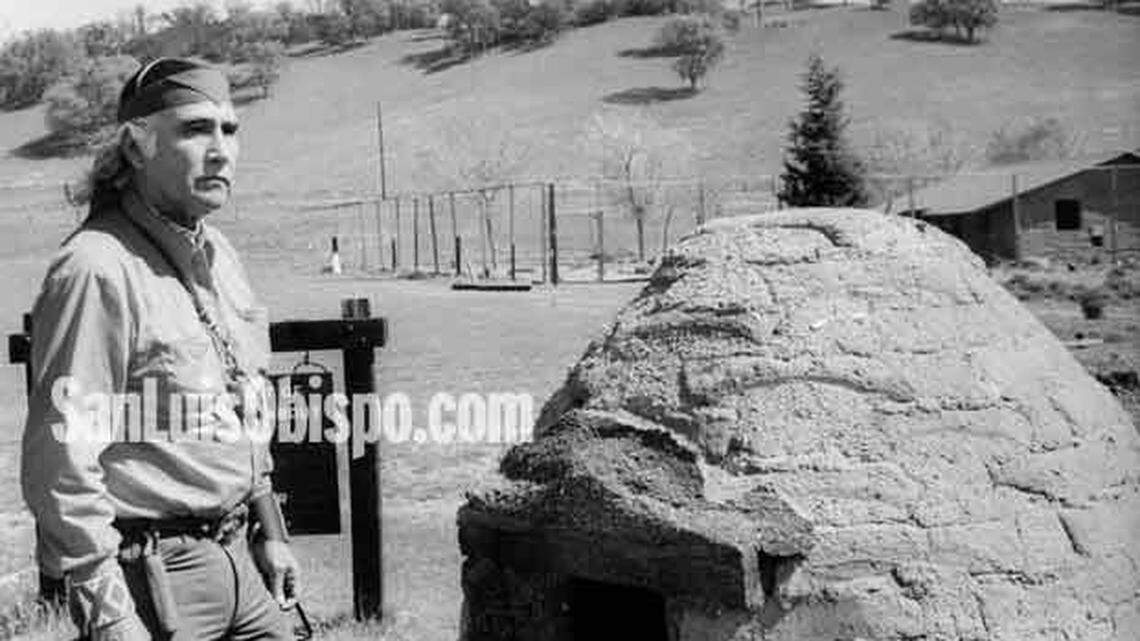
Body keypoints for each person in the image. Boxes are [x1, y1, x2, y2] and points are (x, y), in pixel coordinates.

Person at [21, 57, 300, 640]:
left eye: (230, 129)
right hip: (153, 581)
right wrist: (111, 618)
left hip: (242, 564)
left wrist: (271, 532)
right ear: (136, 146)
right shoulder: (96, 269)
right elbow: (61, 464)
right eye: (196, 129)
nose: (221, 149)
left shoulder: (221, 255)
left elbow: (246, 406)